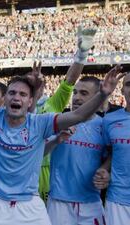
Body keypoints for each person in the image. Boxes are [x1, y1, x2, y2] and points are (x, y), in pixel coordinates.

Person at [0, 65, 123, 225]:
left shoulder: (41, 122)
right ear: (4, 98)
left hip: (33, 204)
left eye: (23, 94)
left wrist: (103, 93)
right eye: (12, 93)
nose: (16, 97)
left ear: (31, 100)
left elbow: (79, 115)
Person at [37, 26, 97, 203]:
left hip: (48, 171)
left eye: (40, 82)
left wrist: (82, 54)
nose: (36, 85)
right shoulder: (14, 109)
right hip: (23, 169)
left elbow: (70, 80)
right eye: (31, 82)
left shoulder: (52, 104)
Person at [45, 76, 110, 225]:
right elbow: (39, 153)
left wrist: (106, 171)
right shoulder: (59, 121)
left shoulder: (104, 126)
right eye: (75, 92)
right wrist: (55, 141)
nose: (76, 97)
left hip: (92, 203)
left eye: (84, 93)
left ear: (96, 98)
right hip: (59, 204)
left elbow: (111, 157)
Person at [102, 72, 130, 225]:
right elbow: (110, 153)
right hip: (118, 201)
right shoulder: (110, 120)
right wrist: (104, 170)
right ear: (122, 90)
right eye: (128, 84)